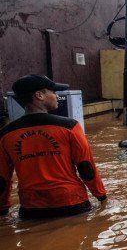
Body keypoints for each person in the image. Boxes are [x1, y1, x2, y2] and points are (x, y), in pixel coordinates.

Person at [0, 75, 107, 219]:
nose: (57, 96)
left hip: (31, 208)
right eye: (53, 92)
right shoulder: (70, 127)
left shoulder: (6, 134)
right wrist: (102, 197)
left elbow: (2, 178)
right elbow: (86, 167)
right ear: (39, 95)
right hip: (71, 203)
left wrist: (2, 210)